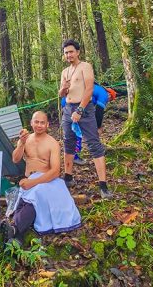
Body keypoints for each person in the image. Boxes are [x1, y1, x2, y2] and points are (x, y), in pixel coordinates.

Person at [1, 111, 81, 241]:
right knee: (24, 204)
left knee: (33, 198)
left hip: (47, 181)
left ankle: (15, 230)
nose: (39, 125)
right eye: (36, 122)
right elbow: (15, 159)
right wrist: (21, 143)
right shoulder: (25, 139)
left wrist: (33, 183)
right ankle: (16, 233)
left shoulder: (52, 143)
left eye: (42, 122)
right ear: (31, 123)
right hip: (29, 180)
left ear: (47, 124)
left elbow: (55, 171)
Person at [58, 39, 111, 197]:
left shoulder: (85, 67)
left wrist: (80, 110)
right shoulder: (65, 72)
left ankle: (103, 185)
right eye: (66, 52)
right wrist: (64, 88)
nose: (69, 55)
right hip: (68, 109)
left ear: (78, 52)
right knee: (68, 142)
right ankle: (68, 177)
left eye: (71, 51)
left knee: (94, 144)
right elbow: (61, 94)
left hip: (84, 109)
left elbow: (88, 89)